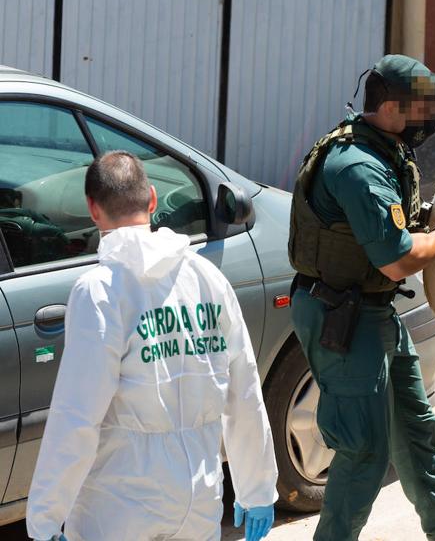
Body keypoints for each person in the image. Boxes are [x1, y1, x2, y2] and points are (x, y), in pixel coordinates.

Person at [288, 54, 435, 541]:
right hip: (341, 317)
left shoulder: (384, 148)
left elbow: (392, 222)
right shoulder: (358, 165)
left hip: (373, 310)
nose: (431, 120)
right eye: (423, 109)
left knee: (415, 428)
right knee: (362, 450)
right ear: (394, 107)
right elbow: (398, 259)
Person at [26, 152, 278, 541]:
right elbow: (244, 390)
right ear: (154, 200)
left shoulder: (101, 292)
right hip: (198, 496)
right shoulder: (207, 278)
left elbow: (77, 416)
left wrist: (44, 520)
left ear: (93, 209)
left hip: (121, 502)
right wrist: (256, 487)